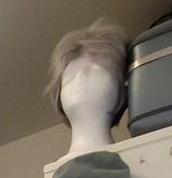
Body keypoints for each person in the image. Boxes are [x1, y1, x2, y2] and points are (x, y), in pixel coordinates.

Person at [44, 18, 129, 159]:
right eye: (69, 76)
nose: (79, 78)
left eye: (93, 70)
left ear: (121, 85)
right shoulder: (57, 171)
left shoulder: (132, 161)